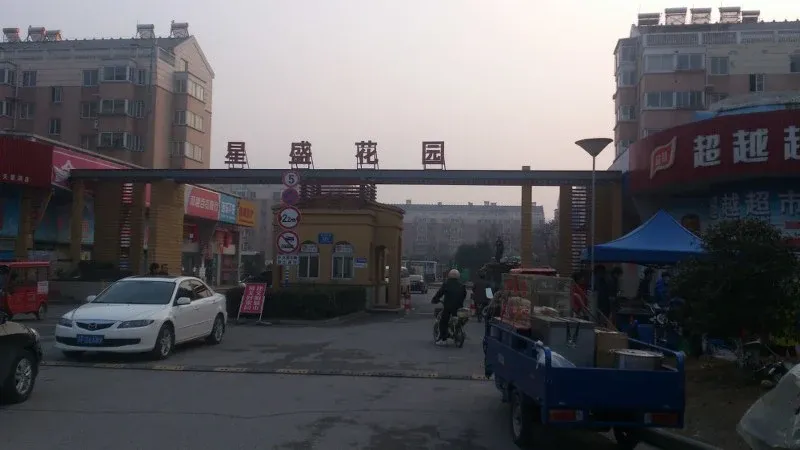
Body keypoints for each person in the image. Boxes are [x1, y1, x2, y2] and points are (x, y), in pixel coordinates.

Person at [431, 269, 467, 345]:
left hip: (448, 307)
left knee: (443, 322)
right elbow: (464, 295)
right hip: (459, 307)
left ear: (449, 275)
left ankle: (443, 339)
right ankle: (457, 331)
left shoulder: (446, 284)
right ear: (458, 276)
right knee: (459, 319)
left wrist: (435, 299)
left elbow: (439, 293)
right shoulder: (462, 285)